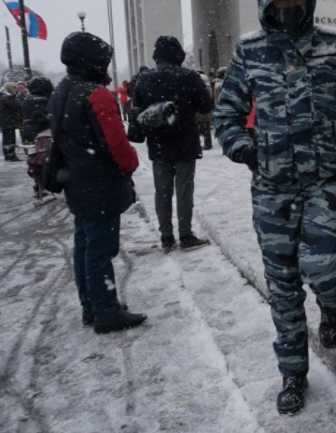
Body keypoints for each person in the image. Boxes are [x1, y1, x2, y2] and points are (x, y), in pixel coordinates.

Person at [214, 0, 336, 415]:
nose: (290, 7)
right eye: (281, 1)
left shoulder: (331, 46)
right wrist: (242, 148)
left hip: (324, 180)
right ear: (267, 2)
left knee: (324, 265)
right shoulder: (249, 51)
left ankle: (331, 303)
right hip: (271, 187)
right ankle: (293, 372)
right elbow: (225, 116)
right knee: (282, 284)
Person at [48, 32, 147, 334]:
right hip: (100, 185)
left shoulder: (62, 91)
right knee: (101, 250)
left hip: (77, 182)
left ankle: (91, 306)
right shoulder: (97, 94)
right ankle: (106, 311)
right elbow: (115, 144)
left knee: (84, 245)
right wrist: (132, 162)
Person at [131, 36, 213, 253]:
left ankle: (166, 237)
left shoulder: (144, 78)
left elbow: (137, 108)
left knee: (162, 191)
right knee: (184, 189)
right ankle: (185, 235)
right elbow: (206, 106)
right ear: (178, 55)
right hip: (184, 140)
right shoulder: (188, 76)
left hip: (157, 142)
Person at [21, 76, 53, 144]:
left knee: (32, 151)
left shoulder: (28, 98)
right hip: (39, 131)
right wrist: (52, 118)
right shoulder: (41, 100)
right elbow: (39, 116)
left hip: (27, 129)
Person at [1, 83, 22, 161]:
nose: (15, 89)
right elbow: (16, 106)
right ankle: (11, 155)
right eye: (14, 88)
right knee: (10, 139)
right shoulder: (7, 97)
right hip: (9, 121)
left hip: (5, 121)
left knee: (6, 139)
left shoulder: (3, 96)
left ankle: (8, 154)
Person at [196, 73, 213, 150]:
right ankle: (207, 143)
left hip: (203, 112)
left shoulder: (204, 88)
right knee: (205, 128)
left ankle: (207, 144)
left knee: (204, 128)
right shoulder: (207, 87)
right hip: (205, 111)